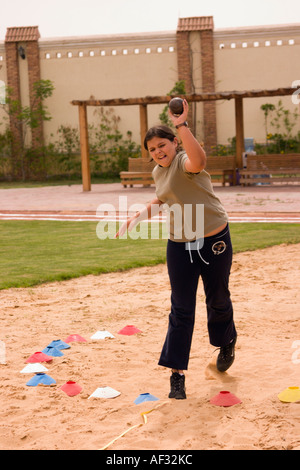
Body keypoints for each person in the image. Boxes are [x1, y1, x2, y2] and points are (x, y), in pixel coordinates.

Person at [115, 99, 237, 399]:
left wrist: (182, 124)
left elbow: (199, 161)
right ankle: (177, 374)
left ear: (173, 142)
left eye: (162, 145)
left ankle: (226, 342)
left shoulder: (184, 161)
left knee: (218, 298)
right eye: (152, 149)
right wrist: (135, 217)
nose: (158, 152)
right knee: (181, 308)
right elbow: (162, 199)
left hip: (213, 239)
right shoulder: (159, 172)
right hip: (180, 245)